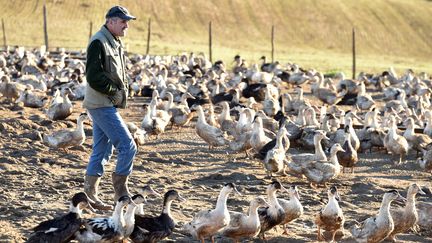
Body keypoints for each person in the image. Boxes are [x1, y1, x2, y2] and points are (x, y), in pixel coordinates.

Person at [82, 5, 137, 210]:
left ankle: (90, 194)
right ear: (111, 21)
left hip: (105, 103)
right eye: (123, 21)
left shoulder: (113, 41)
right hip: (100, 103)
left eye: (127, 22)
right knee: (128, 145)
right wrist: (114, 91)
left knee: (103, 148)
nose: (126, 26)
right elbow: (93, 76)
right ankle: (120, 192)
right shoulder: (98, 42)